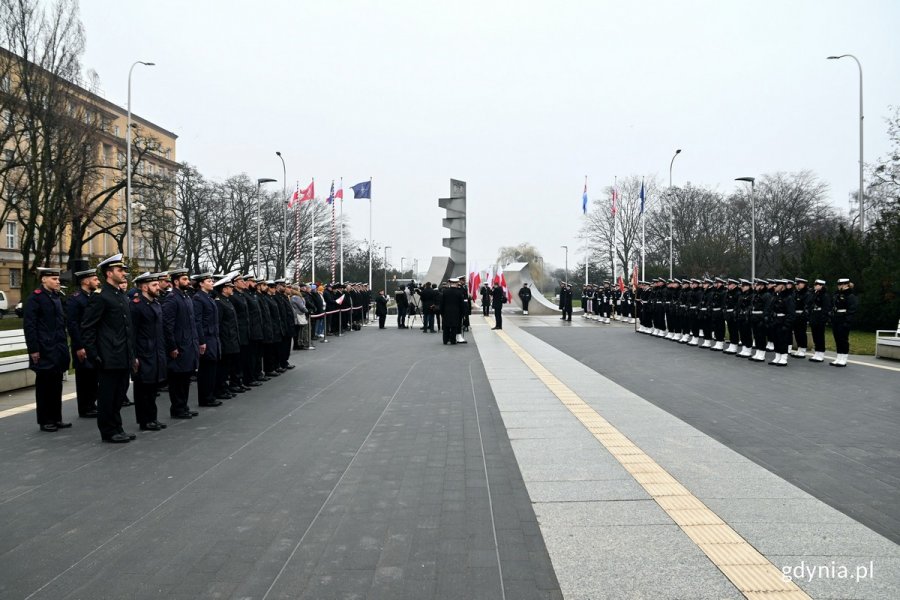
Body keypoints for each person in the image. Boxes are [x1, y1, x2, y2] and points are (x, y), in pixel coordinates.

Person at [81, 254, 137, 443]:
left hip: (123, 354)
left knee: (119, 395)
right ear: (108, 273)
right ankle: (108, 431)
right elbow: (88, 328)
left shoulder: (120, 296)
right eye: (120, 270)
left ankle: (117, 427)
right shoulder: (101, 297)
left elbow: (127, 329)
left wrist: (132, 355)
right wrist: (94, 354)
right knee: (108, 396)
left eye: (124, 270)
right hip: (108, 356)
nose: (124, 274)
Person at [23, 267, 72, 433]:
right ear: (43, 279)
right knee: (44, 387)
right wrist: (34, 349)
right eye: (54, 279)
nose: (57, 281)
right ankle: (45, 420)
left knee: (56, 385)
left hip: (57, 348)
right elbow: (29, 326)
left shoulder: (55, 297)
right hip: (44, 348)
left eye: (58, 279)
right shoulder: (35, 298)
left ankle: (56, 418)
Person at [129, 272, 168, 431]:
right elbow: (132, 333)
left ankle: (153, 417)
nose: (158, 287)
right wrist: (134, 356)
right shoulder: (136, 306)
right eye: (154, 285)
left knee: (152, 388)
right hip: (143, 352)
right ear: (144, 287)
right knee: (143, 388)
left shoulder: (156, 304)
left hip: (156, 351)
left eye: (157, 284)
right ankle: (144, 420)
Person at [162, 268, 201, 419]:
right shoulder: (172, 298)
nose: (188, 281)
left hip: (188, 344)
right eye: (184, 279)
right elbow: (167, 325)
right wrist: (172, 346)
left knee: (185, 377)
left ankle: (183, 406)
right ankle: (177, 408)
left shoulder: (185, 297)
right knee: (177, 379)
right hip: (178, 345)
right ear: (176, 281)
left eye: (187, 279)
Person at [67, 268, 100, 418]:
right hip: (82, 344)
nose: (97, 281)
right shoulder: (76, 299)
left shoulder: (92, 296)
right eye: (94, 279)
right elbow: (73, 324)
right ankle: (85, 407)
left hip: (93, 343)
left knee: (93, 376)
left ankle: (91, 404)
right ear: (86, 281)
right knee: (84, 378)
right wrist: (79, 346)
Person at [192, 273, 221, 407]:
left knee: (212, 367)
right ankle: (205, 398)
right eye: (209, 281)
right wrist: (201, 341)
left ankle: (210, 395)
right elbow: (197, 322)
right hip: (206, 338)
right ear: (201, 284)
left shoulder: (208, 297)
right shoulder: (198, 299)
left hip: (213, 336)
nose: (212, 283)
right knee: (206, 369)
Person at [213, 274, 242, 399]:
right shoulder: (219, 302)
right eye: (230, 287)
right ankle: (220, 389)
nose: (232, 289)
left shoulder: (227, 301)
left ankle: (224, 388)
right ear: (224, 289)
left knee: (227, 366)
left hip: (231, 338)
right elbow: (218, 323)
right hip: (225, 339)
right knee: (222, 367)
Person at [767, 279, 795, 366]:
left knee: (783, 340)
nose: (775, 287)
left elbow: (791, 313)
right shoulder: (775, 296)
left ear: (782, 286)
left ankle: (783, 358)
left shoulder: (788, 297)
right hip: (775, 321)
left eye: (777, 286)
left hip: (783, 321)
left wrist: (787, 324)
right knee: (776, 339)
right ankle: (777, 356)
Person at [830, 278, 857, 367]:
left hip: (843, 319)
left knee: (843, 339)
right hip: (836, 319)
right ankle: (839, 357)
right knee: (837, 339)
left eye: (841, 284)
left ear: (846, 285)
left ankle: (844, 358)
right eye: (838, 284)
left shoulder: (850, 296)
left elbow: (852, 310)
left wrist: (847, 321)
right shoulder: (837, 294)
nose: (839, 286)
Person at [806, 279, 832, 363]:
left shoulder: (825, 295)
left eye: (817, 284)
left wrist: (824, 319)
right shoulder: (814, 294)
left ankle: (821, 353)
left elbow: (826, 307)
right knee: (815, 336)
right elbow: (810, 303)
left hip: (820, 317)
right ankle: (817, 352)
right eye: (815, 284)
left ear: (821, 286)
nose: (815, 285)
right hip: (814, 316)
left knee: (820, 336)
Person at [789, 278, 810, 358]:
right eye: (797, 284)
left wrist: (804, 315)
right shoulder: (795, 293)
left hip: (802, 315)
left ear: (804, 284)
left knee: (802, 333)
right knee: (797, 333)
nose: (797, 285)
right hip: (795, 315)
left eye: (799, 284)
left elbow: (807, 305)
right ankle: (799, 348)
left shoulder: (807, 293)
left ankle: (803, 349)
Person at [440, 279, 465, 343]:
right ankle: (453, 340)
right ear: (457, 283)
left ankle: (445, 340)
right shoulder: (459, 292)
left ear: (450, 283)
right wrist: (463, 313)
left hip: (446, 311)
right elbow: (461, 304)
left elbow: (442, 303)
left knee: (446, 326)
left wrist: (441, 312)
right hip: (456, 312)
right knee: (454, 326)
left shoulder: (445, 292)